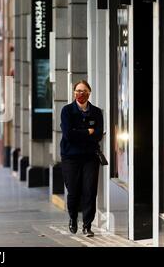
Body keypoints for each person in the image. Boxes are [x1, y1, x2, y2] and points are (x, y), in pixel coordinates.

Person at [60, 80, 103, 237]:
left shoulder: (97, 112)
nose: (80, 94)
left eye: (84, 91)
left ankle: (87, 225)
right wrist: (87, 132)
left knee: (90, 190)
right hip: (70, 157)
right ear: (73, 93)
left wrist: (81, 132)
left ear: (89, 92)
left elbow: (98, 135)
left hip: (90, 157)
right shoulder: (67, 111)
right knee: (73, 191)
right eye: (77, 91)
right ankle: (72, 217)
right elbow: (68, 135)